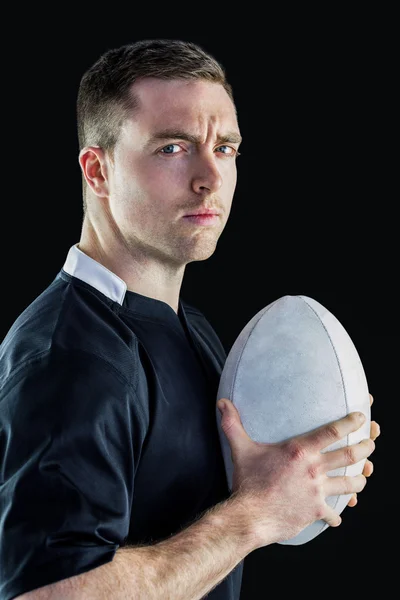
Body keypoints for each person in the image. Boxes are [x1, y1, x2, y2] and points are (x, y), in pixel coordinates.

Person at [0, 39, 380, 600]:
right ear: (97, 170)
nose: (209, 177)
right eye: (173, 148)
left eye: (225, 148)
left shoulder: (189, 327)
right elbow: (49, 593)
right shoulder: (73, 355)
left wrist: (296, 476)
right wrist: (255, 515)